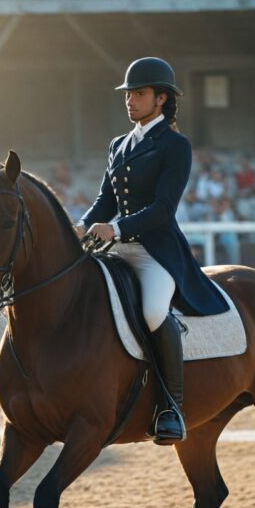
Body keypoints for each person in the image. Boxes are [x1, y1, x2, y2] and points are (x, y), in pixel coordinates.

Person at [74, 57, 229, 445]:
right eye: (128, 94)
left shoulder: (175, 146)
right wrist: (80, 225)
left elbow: (163, 209)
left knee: (153, 311)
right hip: (115, 247)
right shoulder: (118, 144)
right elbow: (104, 200)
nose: (130, 100)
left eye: (139, 94)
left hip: (154, 252)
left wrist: (118, 227)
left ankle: (171, 406)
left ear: (160, 99)